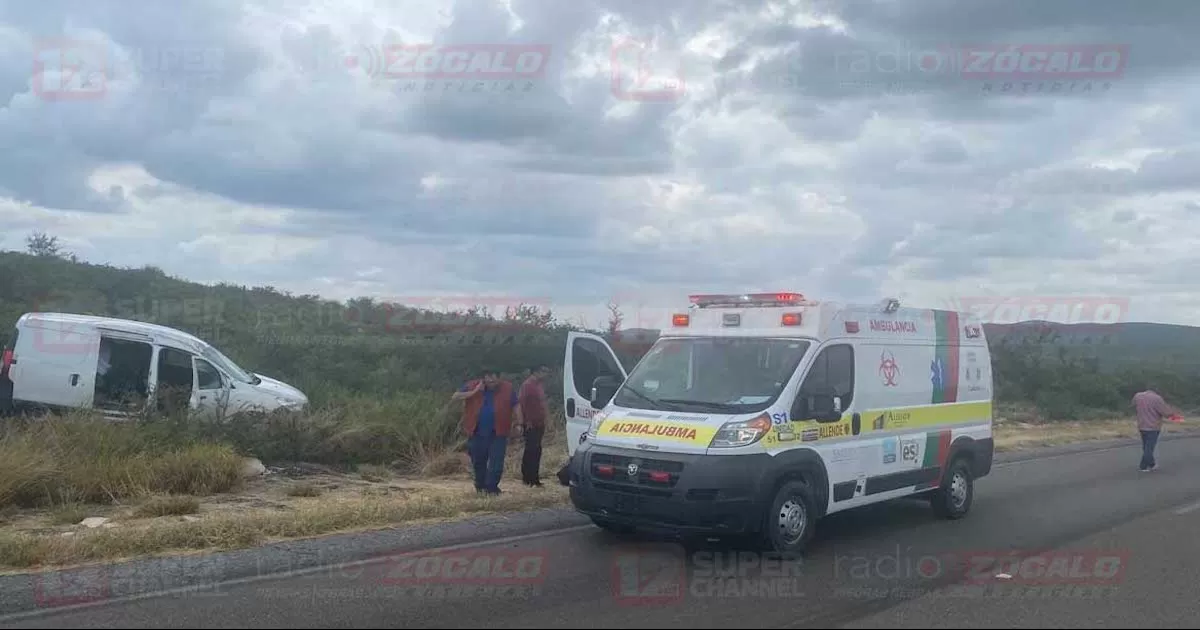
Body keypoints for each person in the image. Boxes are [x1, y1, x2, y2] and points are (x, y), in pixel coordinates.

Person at [453, 369, 522, 494]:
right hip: (476, 432)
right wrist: (474, 392)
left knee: (496, 462)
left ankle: (492, 488)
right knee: (478, 461)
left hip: (498, 431)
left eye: (494, 378)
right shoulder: (472, 385)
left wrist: (519, 423)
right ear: (483, 378)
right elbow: (456, 396)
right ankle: (480, 486)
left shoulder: (507, 388)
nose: (490, 381)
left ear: (499, 378)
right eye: (488, 378)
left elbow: (516, 405)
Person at [519, 364, 552, 487]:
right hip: (530, 424)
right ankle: (528, 478)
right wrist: (525, 421)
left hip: (539, 422)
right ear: (536, 372)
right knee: (531, 450)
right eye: (544, 371)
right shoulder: (527, 386)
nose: (546, 374)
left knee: (537, 450)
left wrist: (547, 420)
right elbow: (522, 403)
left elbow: (543, 403)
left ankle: (534, 477)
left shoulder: (539, 385)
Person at [1133, 386, 1179, 472]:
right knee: (1149, 447)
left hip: (1141, 425)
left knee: (1146, 446)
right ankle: (1143, 466)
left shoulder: (1138, 396)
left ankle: (1152, 464)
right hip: (1153, 426)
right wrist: (1172, 413)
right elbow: (1165, 412)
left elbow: (1133, 405)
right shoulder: (1157, 398)